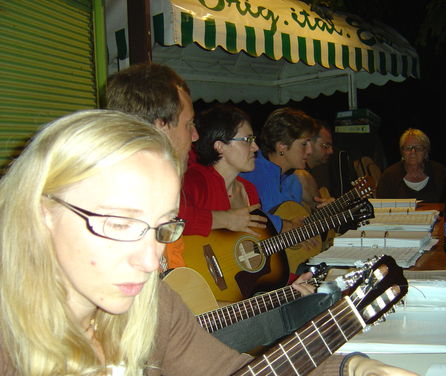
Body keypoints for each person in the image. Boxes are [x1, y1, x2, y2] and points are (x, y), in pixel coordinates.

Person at [0, 109, 433, 376]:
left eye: (164, 227)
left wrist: (352, 371)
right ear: (43, 213)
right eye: (120, 223)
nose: (151, 260)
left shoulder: (151, 308)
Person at [106, 63, 261, 244]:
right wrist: (224, 219)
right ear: (160, 126)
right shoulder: (119, 197)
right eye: (188, 124)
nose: (195, 136)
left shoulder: (157, 183)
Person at [164, 104, 267, 268]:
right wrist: (226, 219)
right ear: (219, 146)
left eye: (254, 140)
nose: (256, 148)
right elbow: (170, 217)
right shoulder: (194, 181)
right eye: (248, 140)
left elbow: (251, 250)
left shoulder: (249, 190)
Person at [240, 107, 317, 232]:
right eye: (304, 144)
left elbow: (295, 223)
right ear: (282, 146)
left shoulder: (293, 179)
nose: (310, 151)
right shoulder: (251, 173)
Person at [376, 128, 446, 202]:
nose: (413, 152)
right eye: (408, 148)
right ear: (402, 152)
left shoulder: (440, 173)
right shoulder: (389, 176)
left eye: (418, 148)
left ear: (426, 152)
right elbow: (380, 208)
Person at [294, 120, 335, 209]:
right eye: (325, 146)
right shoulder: (300, 176)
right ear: (309, 143)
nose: (331, 151)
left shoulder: (313, 172)